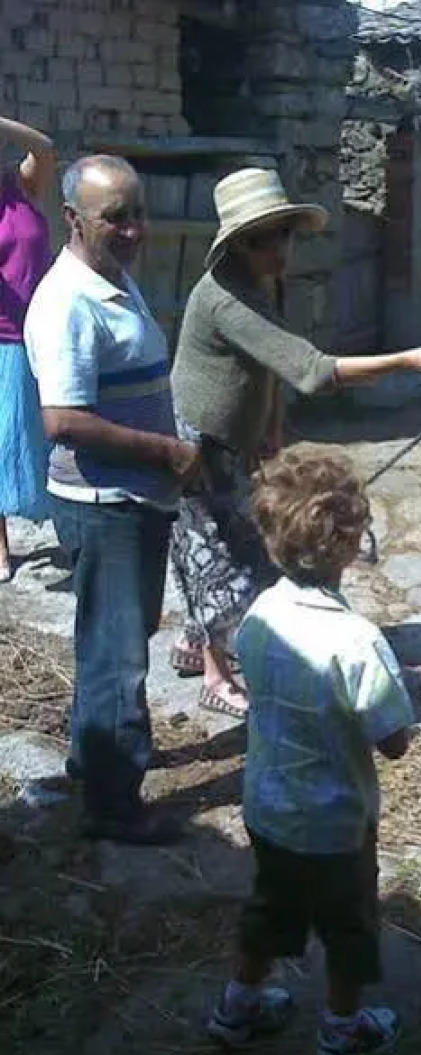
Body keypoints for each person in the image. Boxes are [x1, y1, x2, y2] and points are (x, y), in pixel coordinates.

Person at [169, 165, 421, 719]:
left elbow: (269, 368)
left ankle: (194, 641)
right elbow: (310, 369)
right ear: (236, 245)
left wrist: (271, 426)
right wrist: (406, 359)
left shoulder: (264, 279)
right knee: (216, 552)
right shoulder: (225, 298)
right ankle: (214, 672)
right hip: (199, 438)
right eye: (262, 240)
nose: (278, 248)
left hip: (241, 432)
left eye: (283, 233)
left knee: (236, 541)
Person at [206, 448, 416, 1055]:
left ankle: (237, 1007)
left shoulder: (259, 617)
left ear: (270, 538)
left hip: (267, 810)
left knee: (270, 908)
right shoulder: (358, 641)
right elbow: (394, 740)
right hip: (337, 824)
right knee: (349, 926)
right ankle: (342, 1032)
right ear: (351, 544)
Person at [24, 155, 202, 845]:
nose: (133, 229)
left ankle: (90, 763)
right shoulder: (67, 301)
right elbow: (63, 420)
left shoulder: (112, 278)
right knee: (118, 651)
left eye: (138, 213)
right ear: (73, 219)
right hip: (105, 500)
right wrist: (167, 452)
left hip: (134, 495)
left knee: (111, 639)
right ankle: (115, 804)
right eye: (115, 217)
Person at [0, 115, 57, 581]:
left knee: (56, 435)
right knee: (2, 442)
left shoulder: (19, 187)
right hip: (4, 340)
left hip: (47, 332)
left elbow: (46, 147)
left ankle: (72, 529)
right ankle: (0, 548)